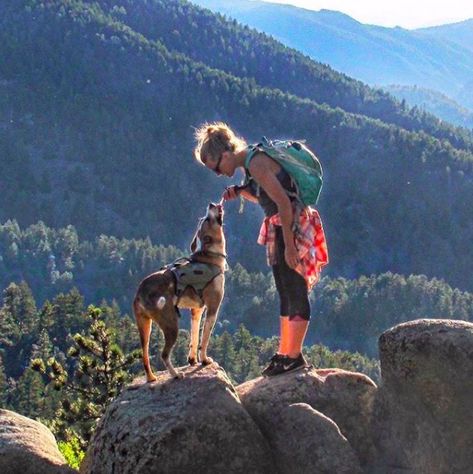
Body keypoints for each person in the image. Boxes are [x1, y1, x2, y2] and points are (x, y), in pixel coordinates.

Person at [193, 122, 329, 376]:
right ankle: (285, 353)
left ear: (224, 154)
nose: (219, 174)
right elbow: (267, 198)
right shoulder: (251, 165)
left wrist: (289, 246)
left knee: (295, 289)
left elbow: (284, 204)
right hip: (279, 228)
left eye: (216, 167)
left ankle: (294, 356)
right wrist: (243, 192)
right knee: (285, 291)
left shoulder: (256, 163)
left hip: (290, 228)